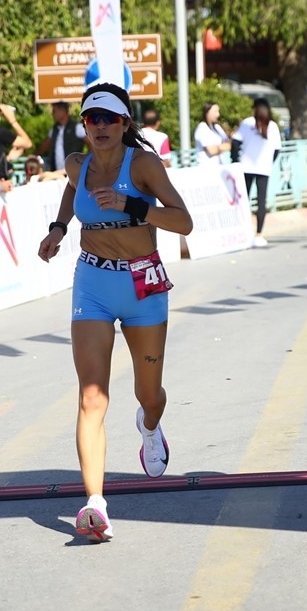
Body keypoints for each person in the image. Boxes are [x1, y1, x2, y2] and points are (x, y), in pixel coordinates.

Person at [37, 82, 194, 542]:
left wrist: (134, 205)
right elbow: (72, 190)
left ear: (125, 123)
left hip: (143, 282)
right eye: (92, 118)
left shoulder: (142, 164)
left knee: (150, 394)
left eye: (109, 118)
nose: (101, 126)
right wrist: (58, 228)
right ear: (84, 125)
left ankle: (149, 426)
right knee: (91, 396)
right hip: (94, 282)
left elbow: (183, 220)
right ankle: (95, 504)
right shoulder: (76, 164)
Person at [232, 98, 282, 247]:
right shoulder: (272, 126)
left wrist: (236, 160)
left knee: (243, 200)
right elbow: (277, 149)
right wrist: (268, 162)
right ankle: (259, 234)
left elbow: (235, 142)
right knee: (261, 201)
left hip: (246, 167)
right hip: (263, 169)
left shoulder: (247, 123)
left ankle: (243, 232)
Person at [42, 102, 86, 173]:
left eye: (54, 111)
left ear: (62, 110)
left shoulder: (76, 127)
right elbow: (45, 145)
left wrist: (89, 159)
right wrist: (34, 155)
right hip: (57, 172)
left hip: (74, 171)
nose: (53, 114)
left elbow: (91, 144)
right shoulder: (54, 129)